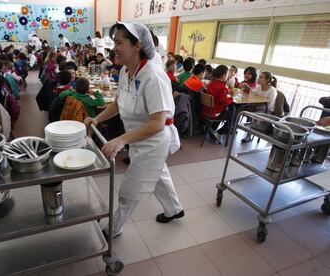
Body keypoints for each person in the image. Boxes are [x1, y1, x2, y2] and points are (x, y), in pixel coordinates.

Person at [84, 22, 184, 239]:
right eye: (114, 42)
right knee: (159, 175)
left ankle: (114, 228)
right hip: (138, 138)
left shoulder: (153, 76)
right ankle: (174, 209)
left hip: (154, 142)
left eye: (119, 43)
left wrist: (120, 140)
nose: (114, 48)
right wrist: (97, 119)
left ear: (137, 45)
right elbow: (119, 103)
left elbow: (158, 122)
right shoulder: (125, 71)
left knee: (130, 190)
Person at [241, 72, 278, 143]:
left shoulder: (272, 90)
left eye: (261, 77)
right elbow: (252, 95)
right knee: (240, 109)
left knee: (252, 115)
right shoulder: (258, 87)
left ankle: (248, 136)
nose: (258, 79)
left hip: (266, 110)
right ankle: (231, 129)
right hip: (256, 106)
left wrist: (256, 101)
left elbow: (268, 102)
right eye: (259, 77)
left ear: (267, 80)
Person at [203, 65, 234, 144]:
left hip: (206, 110)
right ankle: (219, 133)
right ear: (224, 75)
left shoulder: (211, 84)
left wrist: (227, 91)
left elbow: (218, 92)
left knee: (226, 110)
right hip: (214, 112)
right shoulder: (222, 88)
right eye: (227, 74)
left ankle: (213, 129)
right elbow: (225, 102)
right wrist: (232, 98)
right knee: (232, 113)